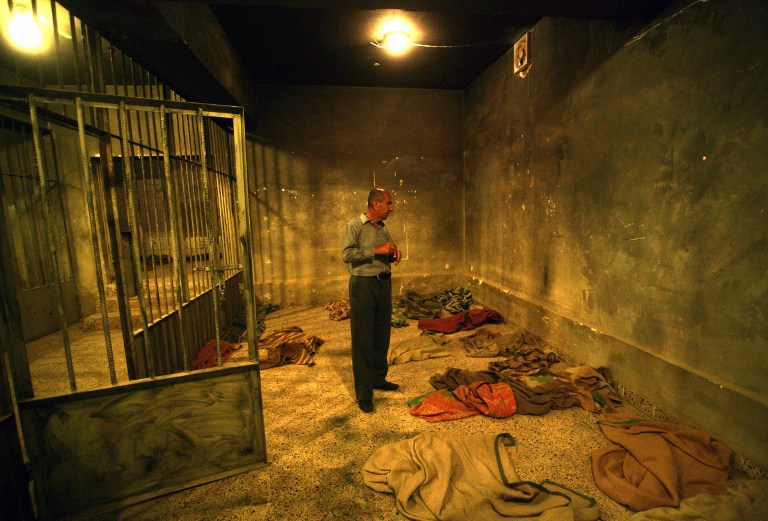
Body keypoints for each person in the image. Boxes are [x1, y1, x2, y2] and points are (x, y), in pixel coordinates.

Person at [341, 188, 402, 413]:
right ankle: (364, 395)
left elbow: (385, 251)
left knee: (381, 335)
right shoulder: (354, 226)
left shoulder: (383, 227)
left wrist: (393, 253)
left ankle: (378, 378)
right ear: (376, 204)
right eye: (388, 203)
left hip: (383, 284)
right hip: (363, 285)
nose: (391, 208)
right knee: (363, 340)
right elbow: (347, 255)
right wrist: (375, 250)